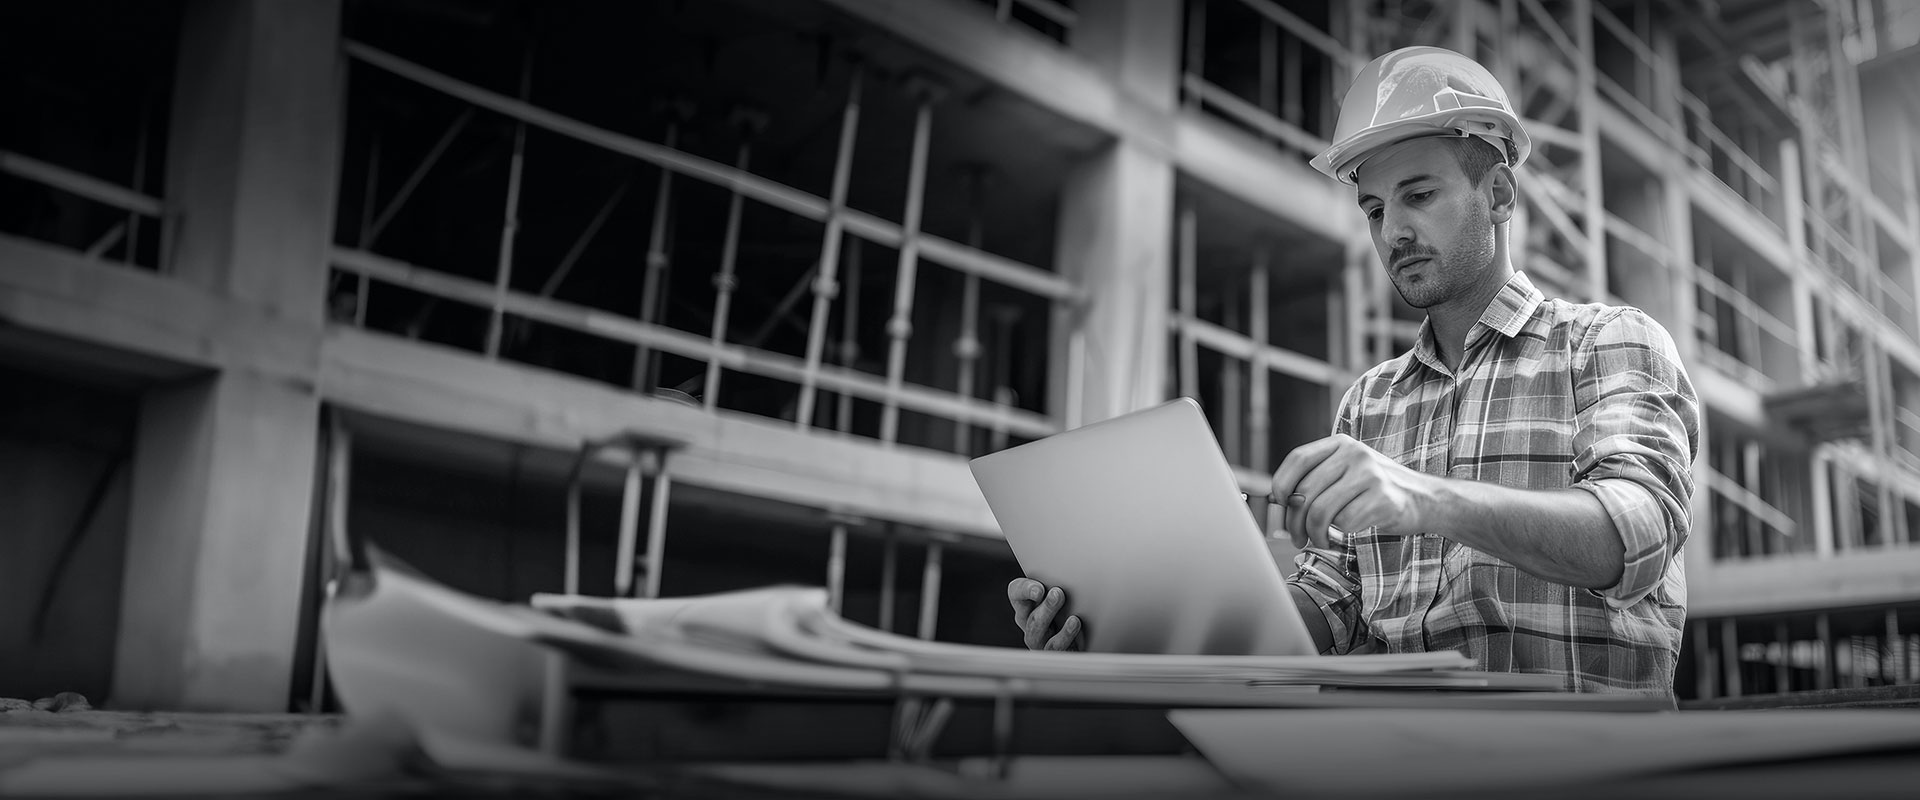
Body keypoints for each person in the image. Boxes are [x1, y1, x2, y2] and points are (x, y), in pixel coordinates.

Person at [1007, 46, 1699, 695]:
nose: (1392, 231)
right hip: (1399, 764)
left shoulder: (1609, 343)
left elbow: (1634, 537)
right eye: (1374, 208)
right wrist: (1127, 627)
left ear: (1499, 195)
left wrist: (1426, 499)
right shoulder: (1371, 405)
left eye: (1419, 195)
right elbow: (1324, 615)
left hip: (1587, 764)